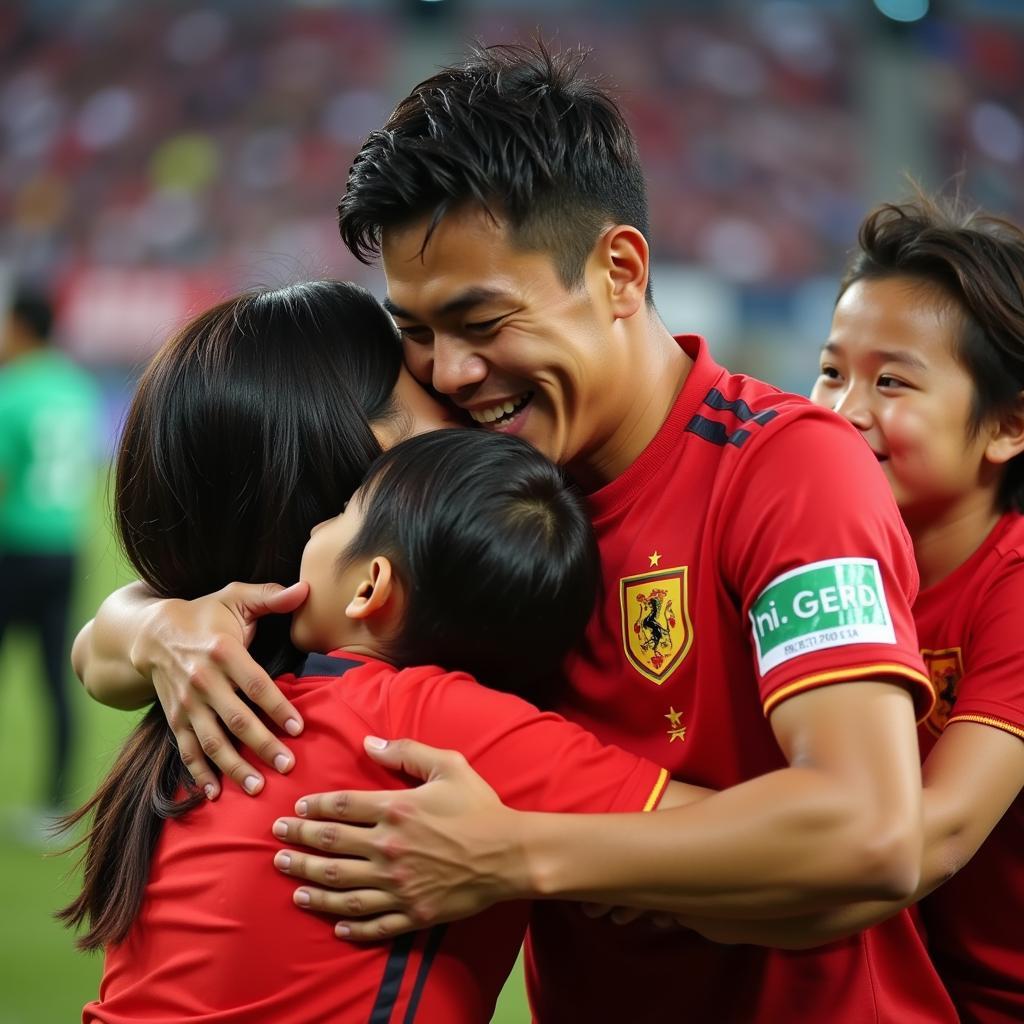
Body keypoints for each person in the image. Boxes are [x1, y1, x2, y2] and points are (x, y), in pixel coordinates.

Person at [74, 45, 958, 1022]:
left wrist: (511, 854)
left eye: (482, 319)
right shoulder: (474, 486)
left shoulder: (786, 468)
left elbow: (870, 833)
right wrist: (153, 628)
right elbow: (183, 621)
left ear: (618, 270)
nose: (450, 372)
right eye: (415, 331)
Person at [65, 281, 684, 1023]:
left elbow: (97, 651)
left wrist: (152, 625)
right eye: (427, 392)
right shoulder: (425, 715)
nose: (459, 386)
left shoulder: (216, 689)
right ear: (374, 459)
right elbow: (724, 844)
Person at [801, 195, 1024, 1023]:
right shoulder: (819, 564)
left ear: (1007, 425)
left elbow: (930, 841)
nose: (840, 411)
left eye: (890, 381)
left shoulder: (1014, 586)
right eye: (830, 371)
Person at [0, 288, 102, 815]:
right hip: (64, 548)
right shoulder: (74, 387)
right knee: (55, 681)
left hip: (13, 547)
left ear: (19, 326)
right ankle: (56, 805)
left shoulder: (11, 392)